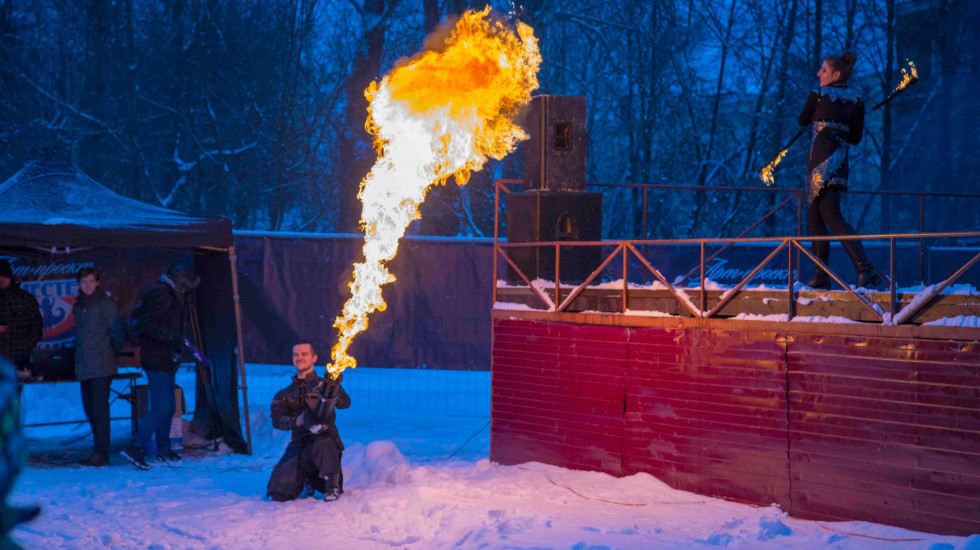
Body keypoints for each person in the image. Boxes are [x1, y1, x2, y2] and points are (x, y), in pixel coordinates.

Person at [798, 51, 884, 290]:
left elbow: (802, 120)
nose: (818, 73)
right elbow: (855, 138)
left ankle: (864, 270)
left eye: (823, 70)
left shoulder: (817, 95)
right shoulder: (857, 99)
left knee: (829, 218)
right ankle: (822, 276)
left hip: (817, 166)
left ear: (836, 74)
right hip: (839, 165)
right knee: (817, 219)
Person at [120, 263, 200, 470]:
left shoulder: (165, 290)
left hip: (164, 357)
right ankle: (135, 447)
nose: (187, 290)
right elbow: (148, 325)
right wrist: (173, 338)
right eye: (187, 286)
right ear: (179, 280)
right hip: (156, 357)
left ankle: (164, 449)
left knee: (169, 407)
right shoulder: (161, 293)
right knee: (162, 406)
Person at [267, 341, 350, 503]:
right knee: (279, 492)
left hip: (325, 442)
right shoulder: (284, 394)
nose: (300, 358)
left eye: (304, 354)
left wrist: (333, 390)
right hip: (300, 443)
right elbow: (277, 420)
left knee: (323, 442)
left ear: (314, 358)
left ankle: (332, 486)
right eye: (296, 354)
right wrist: (296, 421)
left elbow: (345, 403)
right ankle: (306, 481)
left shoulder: (324, 384)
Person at [72, 267, 126, 467]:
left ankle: (101, 452)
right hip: (84, 366)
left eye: (90, 281)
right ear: (79, 284)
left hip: (102, 366)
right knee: (90, 409)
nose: (87, 285)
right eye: (83, 282)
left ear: (97, 283)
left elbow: (118, 333)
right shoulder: (78, 307)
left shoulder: (105, 305)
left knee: (99, 410)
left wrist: (110, 353)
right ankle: (97, 448)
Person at [0, 260, 43, 377]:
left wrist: (23, 347)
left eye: (4, 277)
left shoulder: (25, 299)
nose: (1, 281)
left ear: (10, 277)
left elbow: (36, 327)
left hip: (18, 357)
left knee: (13, 393)